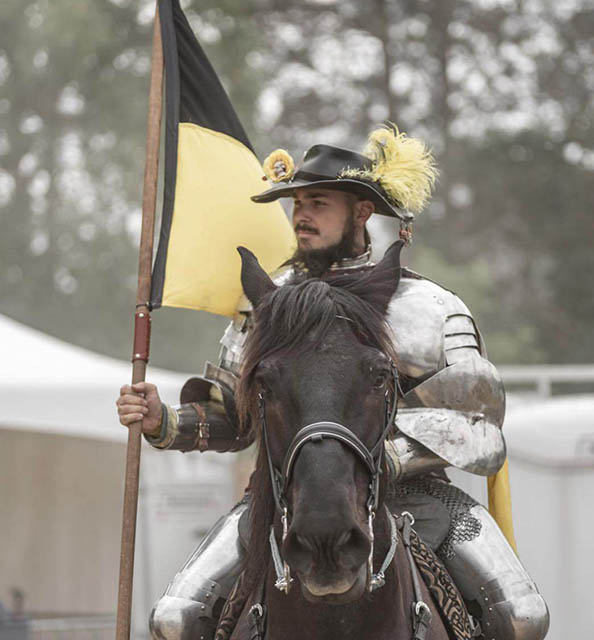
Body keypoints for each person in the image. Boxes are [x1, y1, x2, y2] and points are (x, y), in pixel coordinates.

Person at [117, 126, 549, 640]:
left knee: (521, 616)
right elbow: (235, 418)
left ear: (361, 213)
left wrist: (377, 460)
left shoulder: (430, 308)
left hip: (415, 496)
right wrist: (162, 420)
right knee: (176, 617)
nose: (302, 215)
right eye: (297, 202)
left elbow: (477, 427)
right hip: (285, 500)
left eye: (318, 202)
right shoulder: (268, 304)